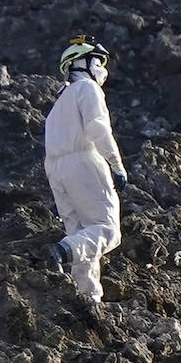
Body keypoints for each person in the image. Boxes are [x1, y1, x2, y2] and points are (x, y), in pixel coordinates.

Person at [43, 36, 126, 303]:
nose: (102, 68)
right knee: (107, 230)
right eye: (97, 61)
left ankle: (88, 299)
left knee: (81, 235)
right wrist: (115, 163)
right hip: (84, 162)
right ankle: (60, 251)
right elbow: (98, 128)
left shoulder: (58, 103)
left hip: (56, 169)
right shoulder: (88, 89)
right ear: (82, 62)